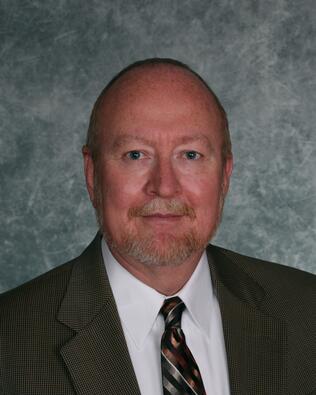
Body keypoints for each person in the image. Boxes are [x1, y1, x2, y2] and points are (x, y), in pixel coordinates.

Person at [0, 58, 315, 395]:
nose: (164, 186)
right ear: (92, 175)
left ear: (224, 175)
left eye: (190, 155)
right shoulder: (10, 344)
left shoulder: (307, 313)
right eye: (136, 155)